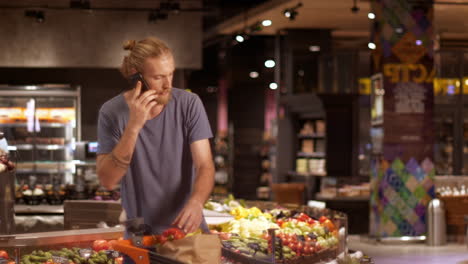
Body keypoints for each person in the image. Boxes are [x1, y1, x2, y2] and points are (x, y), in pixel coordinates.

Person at [96, 37, 215, 238]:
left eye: (171, 74)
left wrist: (196, 201)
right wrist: (133, 126)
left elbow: (205, 165)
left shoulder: (189, 104)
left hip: (186, 232)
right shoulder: (111, 112)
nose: (168, 84)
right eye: (159, 77)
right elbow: (108, 180)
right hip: (139, 234)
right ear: (136, 77)